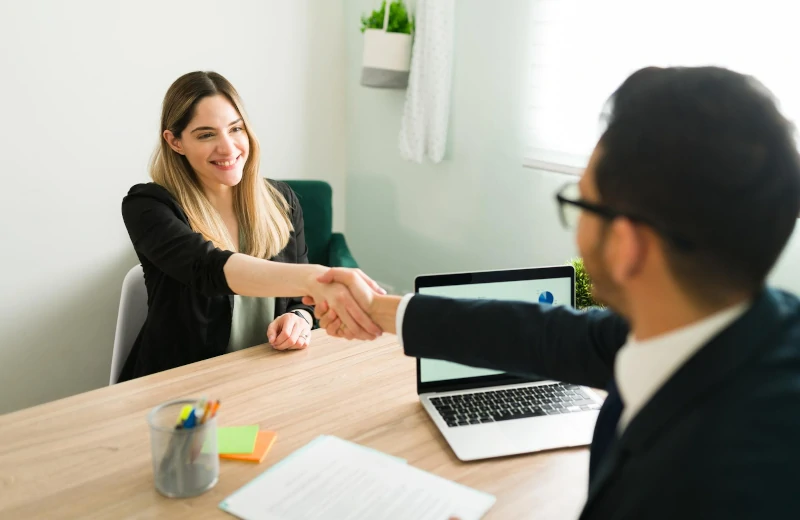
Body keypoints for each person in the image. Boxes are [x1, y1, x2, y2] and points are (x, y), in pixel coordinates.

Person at [308, 67, 800, 518]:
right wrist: (378, 308)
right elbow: (547, 335)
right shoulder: (742, 324)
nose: (577, 231)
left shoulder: (706, 487)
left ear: (628, 245)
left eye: (582, 202)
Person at [119, 71, 383, 381]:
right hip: (181, 388)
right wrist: (315, 278)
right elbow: (208, 268)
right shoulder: (148, 206)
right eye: (206, 134)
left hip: (266, 379)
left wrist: (298, 317)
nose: (228, 148)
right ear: (175, 142)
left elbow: (300, 301)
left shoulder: (282, 201)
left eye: (235, 129)